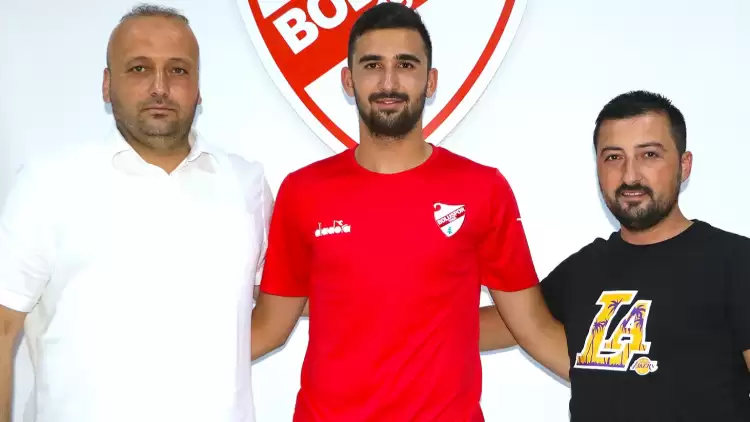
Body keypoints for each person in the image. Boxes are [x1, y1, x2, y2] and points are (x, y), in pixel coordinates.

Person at [251, 3, 569, 421]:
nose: (389, 81)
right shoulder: (303, 192)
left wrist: (639, 389)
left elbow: (533, 328)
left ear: (430, 80)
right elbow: (269, 329)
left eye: (405, 64)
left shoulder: (482, 189)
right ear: (348, 80)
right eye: (372, 65)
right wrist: (174, 357)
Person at [0, 4, 271, 422]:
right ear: (107, 85)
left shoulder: (245, 183)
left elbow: (283, 304)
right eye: (139, 69)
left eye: (178, 70)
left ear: (198, 87)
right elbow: (4, 328)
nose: (160, 87)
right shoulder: (49, 183)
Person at [484, 90, 750, 421]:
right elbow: (487, 325)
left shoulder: (736, 262)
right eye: (613, 157)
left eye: (649, 155)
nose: (630, 176)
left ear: (684, 166)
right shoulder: (584, 269)